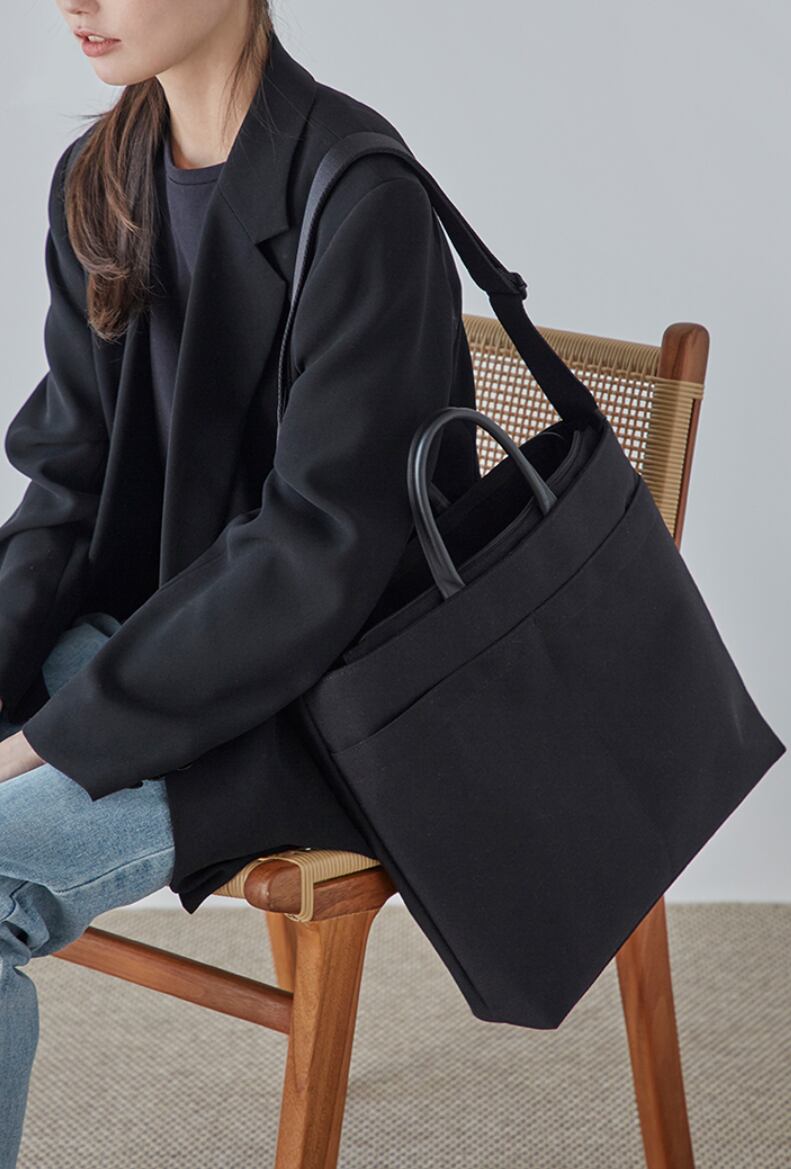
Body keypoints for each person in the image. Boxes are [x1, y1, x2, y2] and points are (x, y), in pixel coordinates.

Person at [0, 1, 480, 1161]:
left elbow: (312, 558)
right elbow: (66, 488)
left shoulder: (362, 197)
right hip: (162, 644)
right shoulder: (103, 177)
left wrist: (44, 741)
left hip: (316, 708)